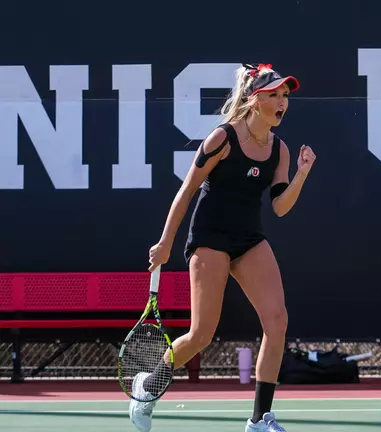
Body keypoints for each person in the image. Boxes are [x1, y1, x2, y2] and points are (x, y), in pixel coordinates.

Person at [130, 63, 316, 432]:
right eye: (274, 95)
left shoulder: (279, 150)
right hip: (210, 238)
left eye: (285, 96)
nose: (282, 103)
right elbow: (186, 192)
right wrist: (166, 243)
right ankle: (148, 385)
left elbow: (279, 206)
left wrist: (302, 174)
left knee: (277, 321)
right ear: (254, 99)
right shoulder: (222, 138)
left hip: (248, 239)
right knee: (202, 334)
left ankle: (259, 420)